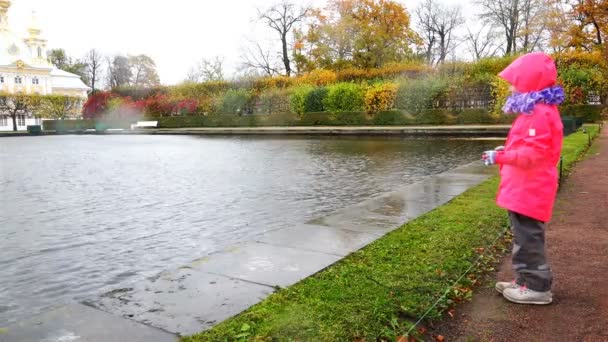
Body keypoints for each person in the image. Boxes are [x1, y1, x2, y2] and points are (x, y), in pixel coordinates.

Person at [482, 52, 565, 305]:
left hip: (530, 188)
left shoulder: (538, 113)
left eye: (515, 81)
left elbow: (533, 154)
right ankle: (525, 280)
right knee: (523, 236)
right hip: (525, 188)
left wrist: (502, 158)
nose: (511, 86)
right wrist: (503, 152)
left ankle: (537, 288)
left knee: (528, 238)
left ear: (529, 81)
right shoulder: (537, 109)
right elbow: (528, 146)